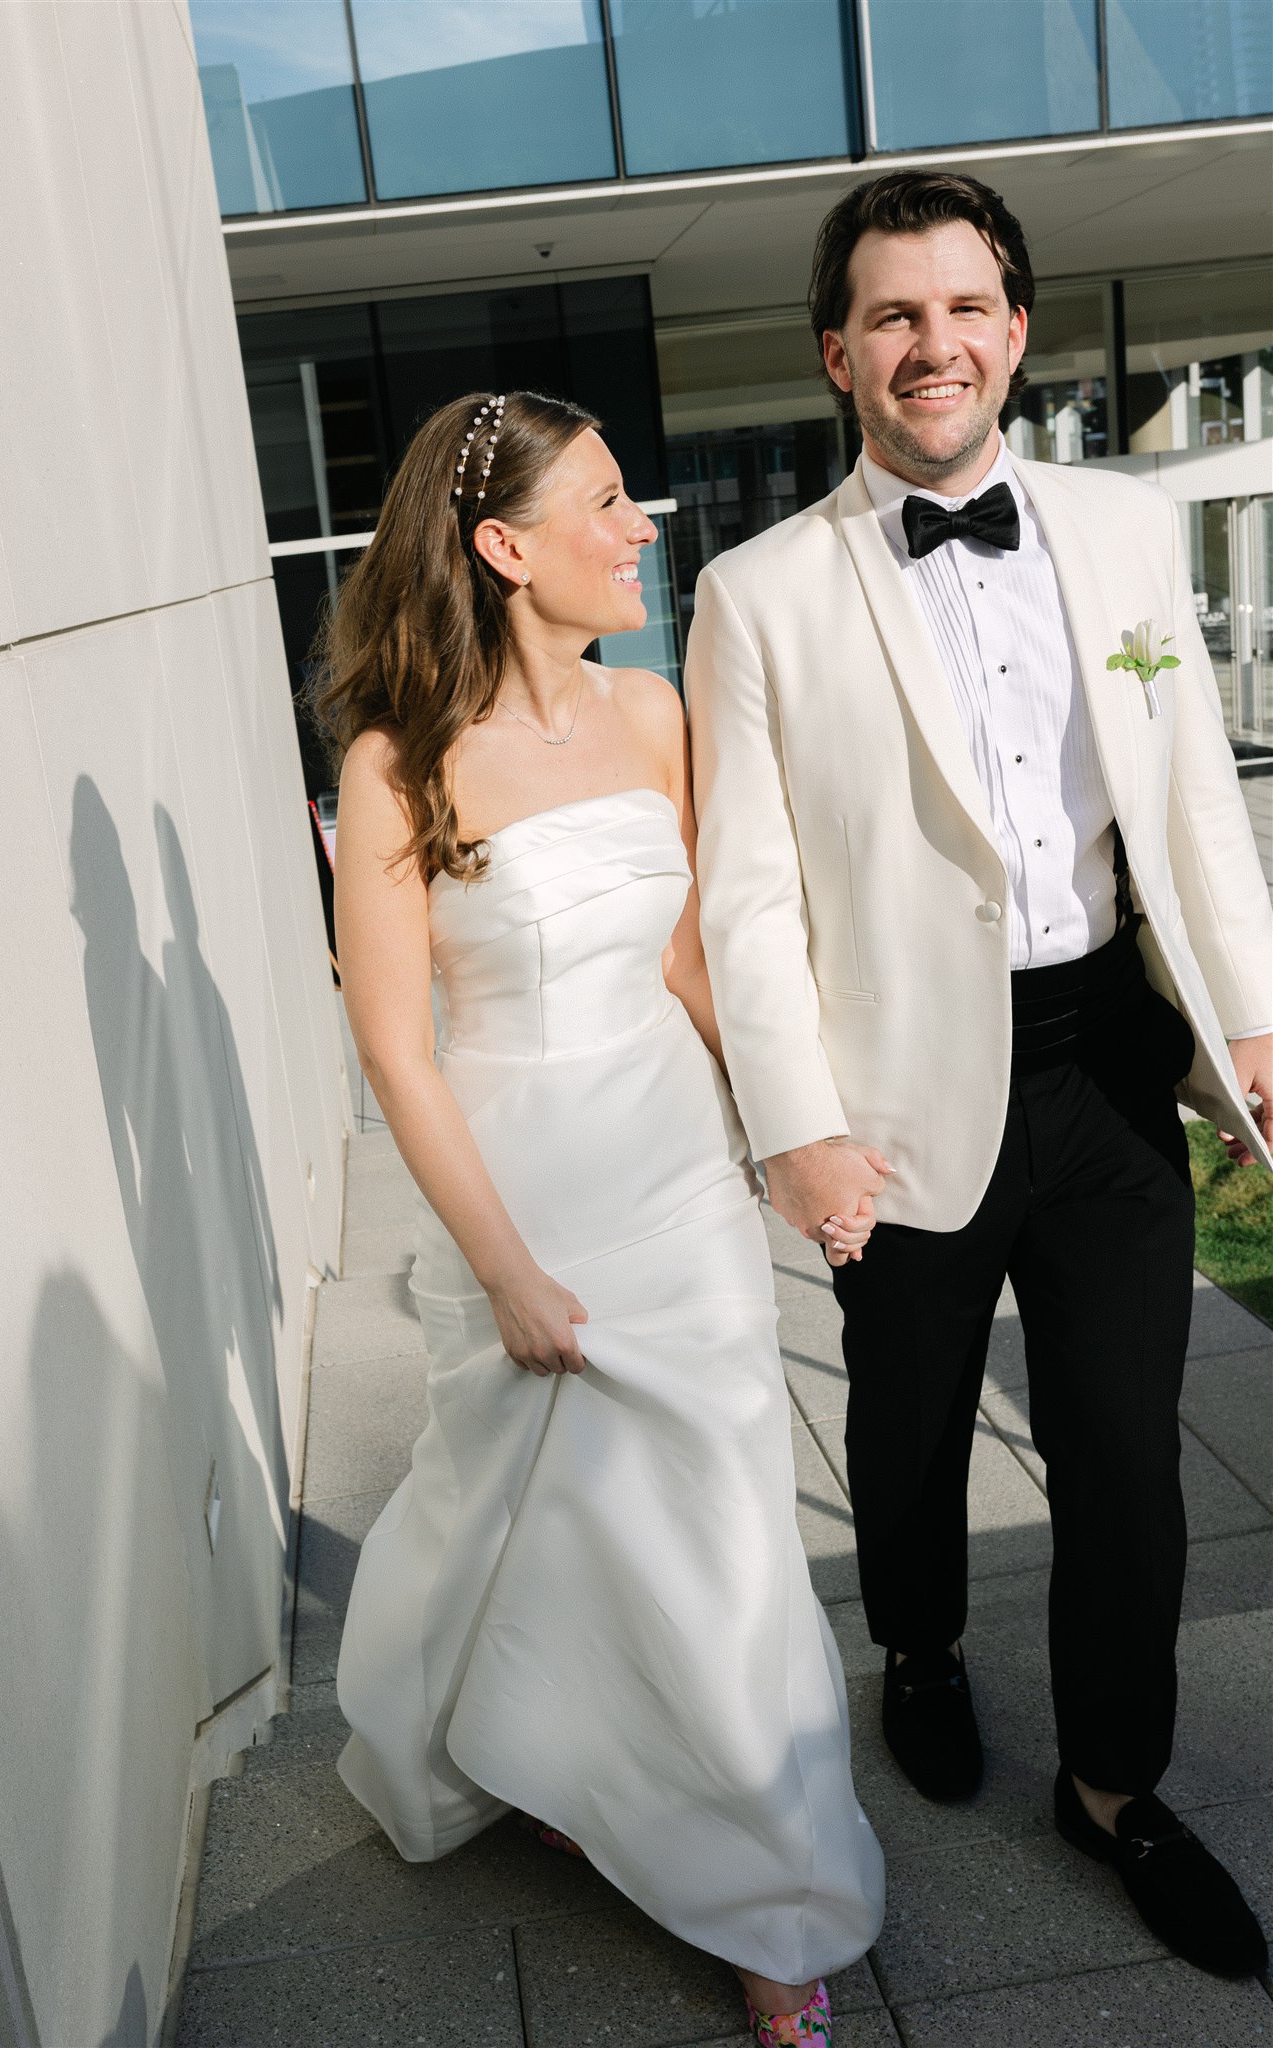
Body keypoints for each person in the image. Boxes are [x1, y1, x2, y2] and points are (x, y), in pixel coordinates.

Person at [685, 168, 1272, 1983]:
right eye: (890, 316)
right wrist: (795, 1127)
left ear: (1012, 331)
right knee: (906, 1423)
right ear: (836, 356)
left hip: (1101, 1052)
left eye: (961, 309)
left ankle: (1110, 1784)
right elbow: (748, 886)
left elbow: (1186, 799)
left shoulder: (1115, 531)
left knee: (1124, 1459)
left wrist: (1249, 1014)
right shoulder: (754, 593)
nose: (930, 344)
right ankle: (922, 1649)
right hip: (893, 1086)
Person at [320, 389, 884, 2043]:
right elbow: (392, 1052)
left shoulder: (652, 715)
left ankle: (765, 1903)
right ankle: (541, 1748)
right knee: (533, 1520)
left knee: (718, 1541)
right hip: (522, 1194)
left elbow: (697, 960)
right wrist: (500, 1269)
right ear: (503, 548)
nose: (644, 525)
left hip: (672, 1191)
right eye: (608, 501)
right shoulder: (392, 765)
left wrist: (801, 1144)